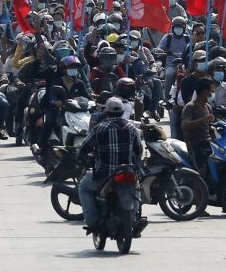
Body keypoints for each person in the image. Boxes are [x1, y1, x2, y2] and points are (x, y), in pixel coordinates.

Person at [77, 96, 144, 234]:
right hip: (128, 171)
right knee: (136, 189)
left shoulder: (99, 128)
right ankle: (135, 218)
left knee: (83, 187)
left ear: (106, 112)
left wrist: (84, 158)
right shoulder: (131, 127)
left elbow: (83, 149)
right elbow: (139, 150)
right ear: (121, 112)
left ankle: (92, 221)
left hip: (104, 174)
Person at [180, 78, 215, 176]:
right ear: (205, 92)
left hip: (208, 143)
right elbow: (184, 125)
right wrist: (202, 120)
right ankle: (199, 190)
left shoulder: (207, 106)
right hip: (195, 145)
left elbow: (209, 127)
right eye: (212, 91)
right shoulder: (190, 107)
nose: (213, 94)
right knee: (201, 172)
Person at [158, 16, 189, 101]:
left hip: (184, 65)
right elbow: (159, 48)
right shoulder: (168, 37)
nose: (178, 29)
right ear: (172, 28)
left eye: (180, 27)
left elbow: (192, 48)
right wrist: (161, 51)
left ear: (184, 28)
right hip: (171, 64)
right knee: (169, 75)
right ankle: (166, 97)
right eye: (176, 27)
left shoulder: (187, 38)